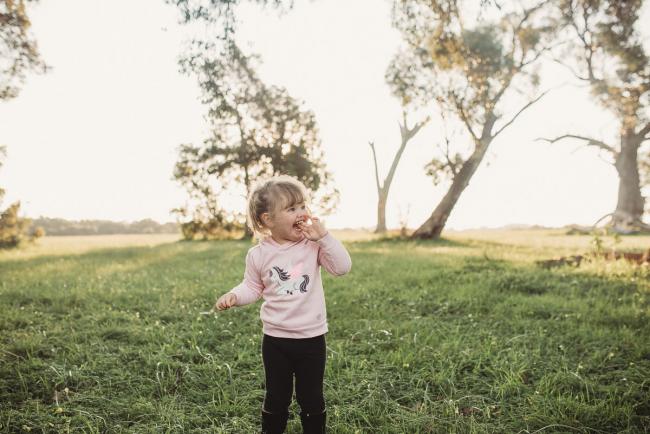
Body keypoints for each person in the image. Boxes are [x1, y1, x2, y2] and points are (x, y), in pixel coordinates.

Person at [215, 175, 352, 434]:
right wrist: (235, 295)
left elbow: (343, 268)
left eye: (303, 206)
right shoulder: (259, 255)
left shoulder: (313, 246)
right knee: (276, 397)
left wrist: (324, 237)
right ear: (268, 219)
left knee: (311, 397)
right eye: (291, 209)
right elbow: (253, 287)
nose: (301, 213)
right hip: (276, 340)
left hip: (312, 339)